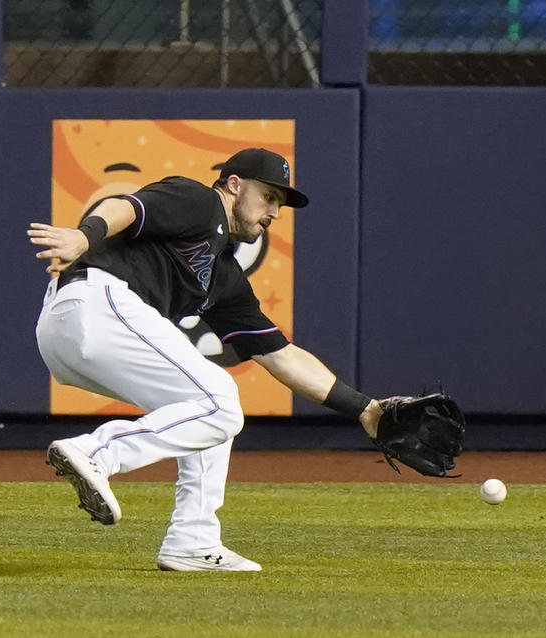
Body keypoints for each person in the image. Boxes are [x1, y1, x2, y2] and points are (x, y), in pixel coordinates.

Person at [28, 148, 383, 572]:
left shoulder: (224, 276)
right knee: (220, 399)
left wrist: (364, 408)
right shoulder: (200, 201)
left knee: (206, 411)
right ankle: (98, 454)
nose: (274, 211)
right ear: (235, 184)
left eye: (279, 204)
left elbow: (280, 355)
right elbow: (125, 206)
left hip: (73, 334)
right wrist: (86, 236)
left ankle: (192, 541)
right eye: (269, 196)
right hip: (96, 300)